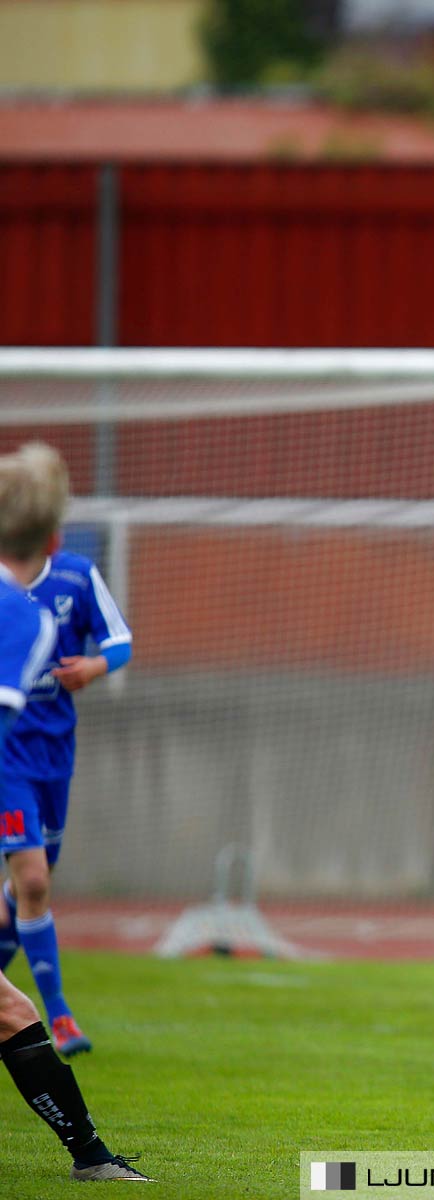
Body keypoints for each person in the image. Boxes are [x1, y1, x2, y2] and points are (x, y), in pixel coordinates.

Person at [0, 445, 151, 1182]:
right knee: (26, 902)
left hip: (48, 764)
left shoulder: (58, 596)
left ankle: (90, 1156)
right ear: (52, 537)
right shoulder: (20, 626)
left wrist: (96, 665)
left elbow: (119, 642)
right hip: (16, 771)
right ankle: (90, 1154)